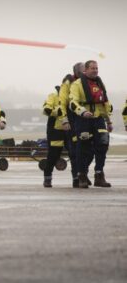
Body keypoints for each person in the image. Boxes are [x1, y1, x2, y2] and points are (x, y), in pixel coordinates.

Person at [69, 60, 113, 188]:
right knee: (83, 148)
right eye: (92, 68)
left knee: (103, 145)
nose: (95, 70)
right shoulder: (77, 85)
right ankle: (82, 175)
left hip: (99, 119)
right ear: (85, 70)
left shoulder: (99, 83)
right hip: (83, 120)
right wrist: (82, 112)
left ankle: (99, 175)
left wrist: (108, 121)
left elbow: (104, 103)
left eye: (96, 68)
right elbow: (73, 103)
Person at [57, 63, 85, 187]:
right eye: (82, 70)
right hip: (72, 119)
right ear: (77, 72)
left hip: (86, 118)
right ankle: (76, 177)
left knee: (88, 149)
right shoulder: (68, 83)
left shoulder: (89, 82)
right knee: (74, 150)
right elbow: (62, 103)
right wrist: (64, 120)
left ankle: (83, 173)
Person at [41, 85, 70, 187]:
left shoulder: (72, 96)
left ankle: (78, 178)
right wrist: (57, 111)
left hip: (71, 130)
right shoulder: (53, 96)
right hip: (55, 130)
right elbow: (46, 110)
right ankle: (47, 178)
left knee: (76, 154)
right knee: (53, 155)